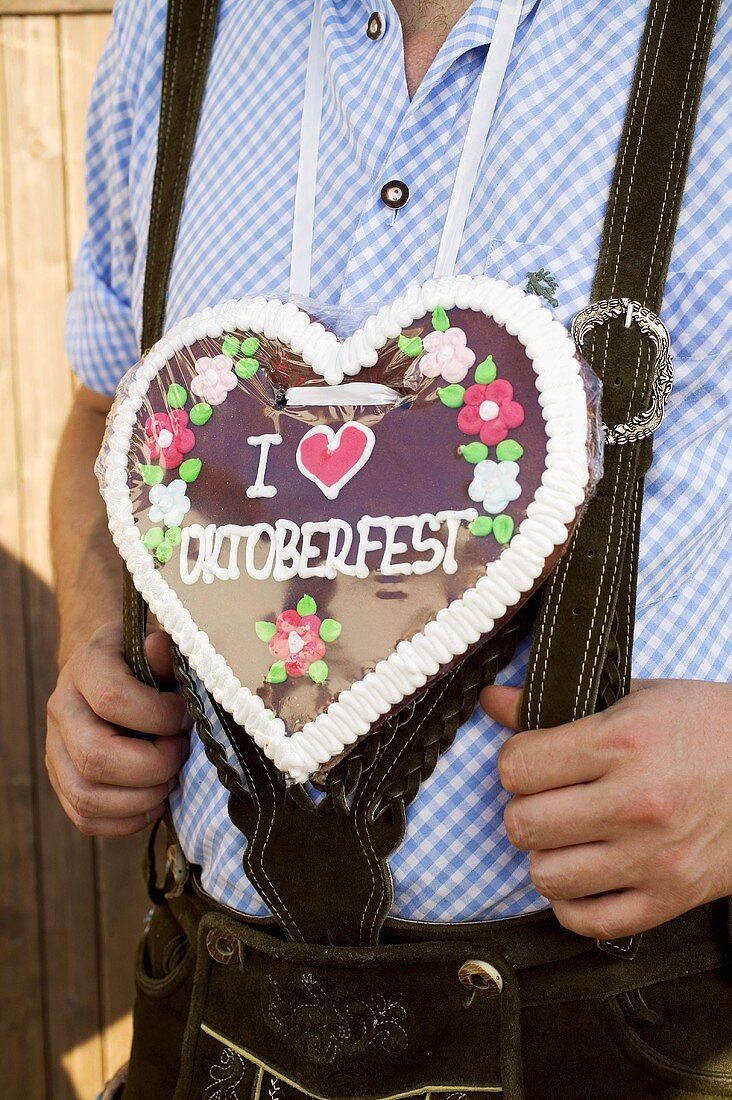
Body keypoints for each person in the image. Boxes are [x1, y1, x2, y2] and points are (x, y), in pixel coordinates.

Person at [46, 0, 731, 1095]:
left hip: (639, 1031)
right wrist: (92, 630)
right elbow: (101, 413)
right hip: (203, 1013)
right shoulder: (172, 26)